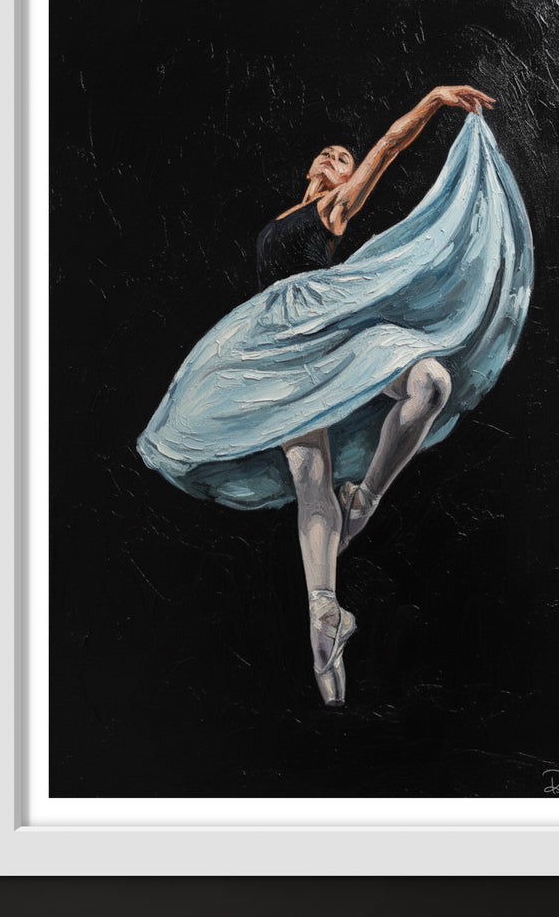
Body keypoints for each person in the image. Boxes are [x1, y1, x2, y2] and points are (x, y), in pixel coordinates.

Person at [138, 84, 532, 707]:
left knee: (430, 383)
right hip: (276, 347)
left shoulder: (332, 211)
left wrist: (431, 102)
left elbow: (387, 146)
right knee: (308, 476)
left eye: (343, 159)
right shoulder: (284, 218)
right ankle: (324, 617)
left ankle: (368, 497)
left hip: (327, 322)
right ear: (308, 169)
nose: (334, 159)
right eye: (327, 154)